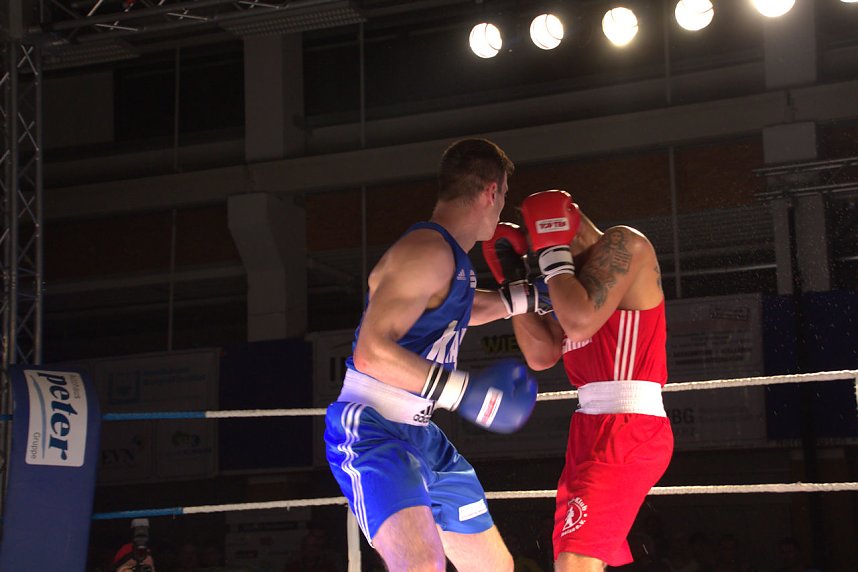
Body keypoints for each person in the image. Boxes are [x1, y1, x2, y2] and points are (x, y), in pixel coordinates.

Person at [324, 138, 539, 572]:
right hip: (373, 430)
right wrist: (463, 392)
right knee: (422, 566)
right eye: (503, 198)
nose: (501, 212)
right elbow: (370, 352)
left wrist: (529, 297)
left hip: (423, 434)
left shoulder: (450, 259)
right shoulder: (426, 252)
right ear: (490, 191)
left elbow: (463, 307)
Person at [507, 189, 674, 571]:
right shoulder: (570, 284)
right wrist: (514, 280)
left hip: (629, 428)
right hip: (587, 430)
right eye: (537, 250)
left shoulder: (624, 243)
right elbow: (541, 354)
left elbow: (580, 320)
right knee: (575, 556)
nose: (541, 256)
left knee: (575, 560)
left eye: (543, 243)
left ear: (568, 221)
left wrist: (554, 260)